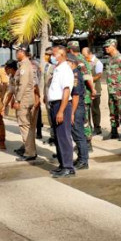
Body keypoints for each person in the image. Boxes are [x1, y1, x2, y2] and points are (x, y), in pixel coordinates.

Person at [47, 45, 75, 178]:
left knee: (64, 137)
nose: (52, 56)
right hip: (54, 105)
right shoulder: (57, 69)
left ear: (62, 55)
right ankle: (62, 165)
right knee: (58, 138)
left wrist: (61, 111)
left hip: (61, 105)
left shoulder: (65, 70)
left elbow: (66, 91)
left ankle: (69, 167)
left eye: (54, 54)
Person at [11, 47, 38, 162]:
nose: (16, 54)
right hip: (27, 98)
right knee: (29, 126)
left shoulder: (25, 66)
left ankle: (29, 153)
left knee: (24, 126)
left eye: (17, 52)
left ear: (22, 52)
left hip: (24, 100)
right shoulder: (25, 65)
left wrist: (17, 100)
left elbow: (22, 84)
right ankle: (31, 150)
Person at [66, 52, 91, 170]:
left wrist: (72, 112)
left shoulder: (75, 75)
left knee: (79, 134)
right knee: (76, 134)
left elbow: (76, 96)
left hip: (77, 108)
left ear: (71, 63)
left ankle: (84, 161)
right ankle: (81, 158)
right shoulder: (73, 73)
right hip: (76, 108)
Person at [67, 41, 94, 144]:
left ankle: (87, 143)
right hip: (82, 94)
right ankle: (84, 142)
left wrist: (92, 90)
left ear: (70, 50)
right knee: (84, 119)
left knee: (84, 120)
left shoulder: (78, 60)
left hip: (82, 95)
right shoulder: (83, 58)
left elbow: (87, 78)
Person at [104, 39, 121, 140]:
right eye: (105, 47)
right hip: (111, 90)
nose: (106, 48)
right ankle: (114, 131)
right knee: (112, 110)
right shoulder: (109, 59)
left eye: (107, 46)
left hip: (119, 90)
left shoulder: (120, 58)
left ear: (113, 46)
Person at [83, 46, 103, 136]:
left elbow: (99, 75)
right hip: (86, 91)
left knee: (95, 109)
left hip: (95, 89)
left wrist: (89, 80)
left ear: (90, 54)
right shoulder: (84, 62)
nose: (83, 57)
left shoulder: (97, 62)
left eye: (85, 55)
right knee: (87, 110)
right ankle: (88, 128)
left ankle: (97, 128)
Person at [42, 46, 56, 145]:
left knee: (54, 117)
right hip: (47, 95)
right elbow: (45, 82)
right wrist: (44, 95)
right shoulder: (47, 66)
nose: (46, 56)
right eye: (46, 54)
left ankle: (56, 137)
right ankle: (52, 136)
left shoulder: (56, 67)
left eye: (48, 54)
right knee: (49, 117)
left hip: (53, 95)